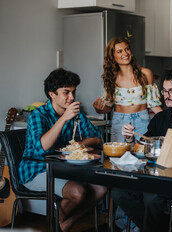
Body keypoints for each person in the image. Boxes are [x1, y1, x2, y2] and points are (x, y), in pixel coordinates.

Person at [112, 69, 172, 232]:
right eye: (164, 91)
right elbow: (144, 143)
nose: (167, 95)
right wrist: (130, 138)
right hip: (155, 175)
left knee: (151, 198)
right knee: (118, 192)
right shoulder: (160, 118)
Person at [18, 69, 107, 232]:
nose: (72, 97)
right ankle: (57, 225)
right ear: (52, 94)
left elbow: (97, 138)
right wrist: (64, 118)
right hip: (36, 170)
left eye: (73, 92)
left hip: (64, 169)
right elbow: (41, 147)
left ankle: (63, 223)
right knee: (77, 192)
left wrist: (79, 144)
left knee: (101, 187)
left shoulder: (76, 114)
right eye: (66, 92)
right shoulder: (38, 115)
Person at [93, 37, 162, 142]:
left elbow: (153, 104)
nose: (125, 53)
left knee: (142, 153)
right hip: (119, 122)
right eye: (119, 51)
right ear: (113, 56)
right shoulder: (110, 78)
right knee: (118, 155)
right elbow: (108, 107)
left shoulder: (146, 73)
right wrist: (99, 109)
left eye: (127, 49)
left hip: (142, 121)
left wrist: (168, 119)